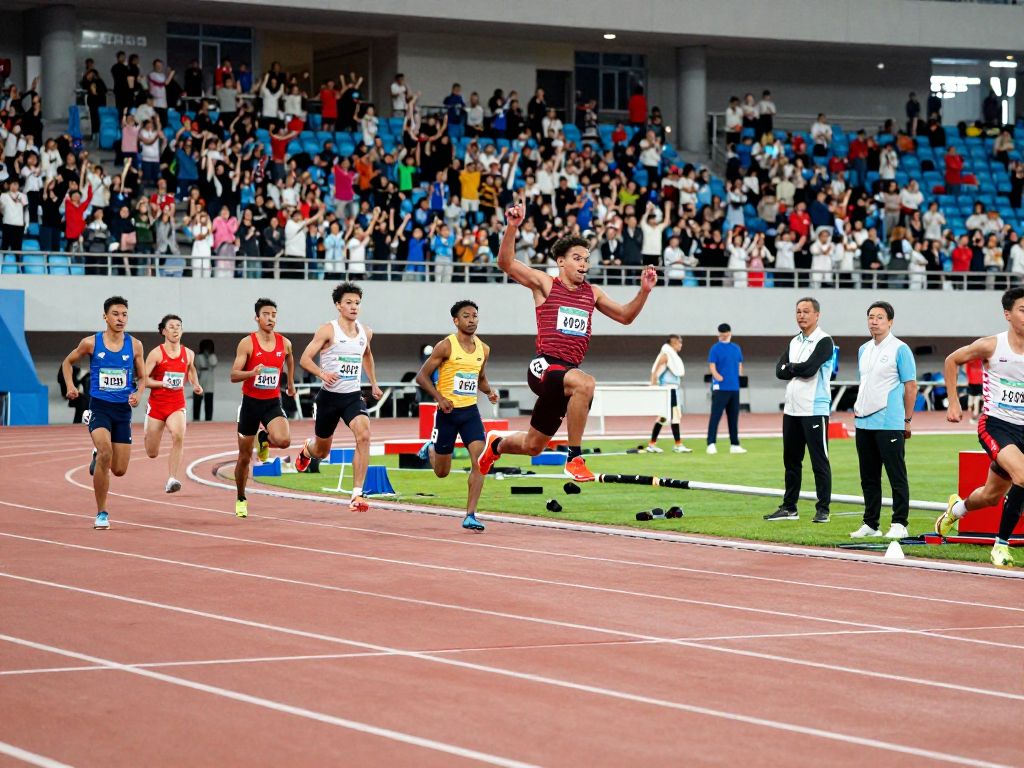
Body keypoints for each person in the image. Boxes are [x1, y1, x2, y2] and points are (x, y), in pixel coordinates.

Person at [476, 203, 657, 482]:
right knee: (586, 383)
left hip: (566, 375)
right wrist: (512, 226)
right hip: (544, 366)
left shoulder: (592, 293)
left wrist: (644, 292)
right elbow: (506, 263)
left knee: (533, 446)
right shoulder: (546, 284)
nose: (584, 264)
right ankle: (574, 458)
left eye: (586, 258)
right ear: (561, 261)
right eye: (577, 258)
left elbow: (625, 317)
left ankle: (496, 444)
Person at [935, 287, 1024, 567]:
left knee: (991, 494)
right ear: (1007, 315)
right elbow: (952, 360)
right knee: (1023, 475)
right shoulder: (991, 345)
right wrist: (953, 403)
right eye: (1023, 310)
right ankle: (1001, 545)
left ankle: (955, 510)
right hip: (996, 425)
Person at [294, 282, 383, 513]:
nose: (354, 307)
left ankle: (357, 495)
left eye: (357, 303)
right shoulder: (328, 330)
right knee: (322, 451)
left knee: (364, 436)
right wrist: (322, 373)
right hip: (329, 398)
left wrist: (373, 383)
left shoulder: (366, 332)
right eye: (349, 303)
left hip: (353, 396)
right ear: (338, 305)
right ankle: (306, 449)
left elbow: (368, 356)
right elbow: (304, 359)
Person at [60, 296, 147, 529]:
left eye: (124, 314)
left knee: (119, 469)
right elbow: (67, 363)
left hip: (122, 412)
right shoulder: (91, 343)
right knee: (106, 452)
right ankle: (102, 513)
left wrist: (138, 393)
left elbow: (143, 375)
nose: (121, 319)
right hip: (99, 408)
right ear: (105, 316)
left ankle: (97, 456)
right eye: (116, 314)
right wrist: (70, 386)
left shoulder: (135, 345)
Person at [415, 300, 500, 531]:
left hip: (470, 412)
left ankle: (471, 514)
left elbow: (480, 378)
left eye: (475, 316)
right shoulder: (446, 346)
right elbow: (421, 377)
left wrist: (489, 392)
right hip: (447, 414)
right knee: (442, 472)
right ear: (456, 320)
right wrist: (439, 398)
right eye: (466, 316)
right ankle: (431, 448)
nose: (472, 320)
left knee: (481, 462)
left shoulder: (484, 349)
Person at [849, 302, 918, 540]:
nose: (874, 321)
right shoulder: (863, 349)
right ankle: (871, 523)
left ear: (890, 321)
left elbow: (911, 386)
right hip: (864, 423)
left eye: (879, 317)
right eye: (870, 317)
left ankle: (900, 522)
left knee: (896, 474)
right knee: (868, 477)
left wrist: (906, 420)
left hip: (889, 422)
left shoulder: (901, 349)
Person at [767, 297, 835, 523]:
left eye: (806, 311)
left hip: (814, 409)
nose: (801, 315)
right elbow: (779, 371)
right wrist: (796, 368)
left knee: (819, 461)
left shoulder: (824, 341)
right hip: (792, 410)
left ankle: (823, 509)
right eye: (798, 311)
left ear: (817, 315)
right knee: (791, 461)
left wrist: (792, 368)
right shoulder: (794, 342)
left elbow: (809, 369)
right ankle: (789, 507)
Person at [230, 298, 296, 519]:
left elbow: (290, 359)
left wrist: (291, 383)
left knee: (285, 441)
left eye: (274, 314)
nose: (271, 318)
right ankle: (241, 497)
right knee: (244, 457)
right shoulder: (247, 343)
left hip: (271, 402)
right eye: (266, 314)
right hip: (250, 404)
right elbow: (233, 375)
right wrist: (251, 373)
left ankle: (265, 437)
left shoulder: (284, 343)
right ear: (257, 317)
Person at [143, 314, 202, 493]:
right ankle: (149, 433)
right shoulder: (156, 353)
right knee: (152, 452)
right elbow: (144, 380)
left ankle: (172, 479)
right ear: (163, 331)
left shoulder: (188, 353)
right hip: (157, 406)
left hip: (176, 404)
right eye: (171, 326)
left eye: (179, 326)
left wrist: (196, 383)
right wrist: (163, 383)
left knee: (178, 435)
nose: (176, 329)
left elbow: (191, 370)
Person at [647, 334, 692, 453]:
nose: (681, 345)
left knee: (664, 417)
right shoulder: (666, 355)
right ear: (673, 343)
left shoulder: (672, 356)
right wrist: (653, 385)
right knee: (673, 416)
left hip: (672, 390)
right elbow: (655, 371)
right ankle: (677, 444)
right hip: (668, 390)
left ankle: (652, 444)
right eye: (679, 342)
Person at [706, 323, 746, 454]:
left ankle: (734, 444)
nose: (722, 337)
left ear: (729, 333)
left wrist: (739, 375)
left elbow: (740, 364)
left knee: (733, 417)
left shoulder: (736, 348)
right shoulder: (715, 348)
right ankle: (711, 444)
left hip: (734, 388)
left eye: (724, 335)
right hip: (720, 388)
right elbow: (712, 366)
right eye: (720, 335)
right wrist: (718, 377)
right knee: (716, 416)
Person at [193, 339, 217, 421]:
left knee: (209, 402)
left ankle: (209, 419)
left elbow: (214, 364)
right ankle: (196, 419)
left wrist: (208, 357)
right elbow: (197, 366)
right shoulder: (198, 356)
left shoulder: (212, 356)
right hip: (201, 378)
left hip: (209, 378)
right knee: (197, 402)